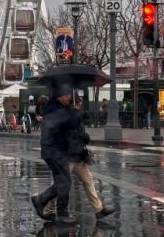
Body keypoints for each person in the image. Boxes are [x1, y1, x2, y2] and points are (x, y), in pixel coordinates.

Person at [43, 98, 116, 220]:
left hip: (78, 156)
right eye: (79, 102)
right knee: (60, 184)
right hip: (68, 156)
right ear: (74, 103)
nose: (81, 105)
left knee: (88, 180)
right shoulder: (68, 116)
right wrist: (84, 136)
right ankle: (48, 208)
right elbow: (72, 134)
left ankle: (99, 209)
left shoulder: (75, 115)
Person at [31, 85, 81, 224]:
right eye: (67, 96)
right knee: (65, 182)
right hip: (55, 150)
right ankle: (58, 211)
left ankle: (43, 201)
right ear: (60, 95)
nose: (69, 98)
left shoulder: (56, 107)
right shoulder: (56, 109)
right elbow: (71, 124)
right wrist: (75, 112)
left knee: (62, 181)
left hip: (54, 149)